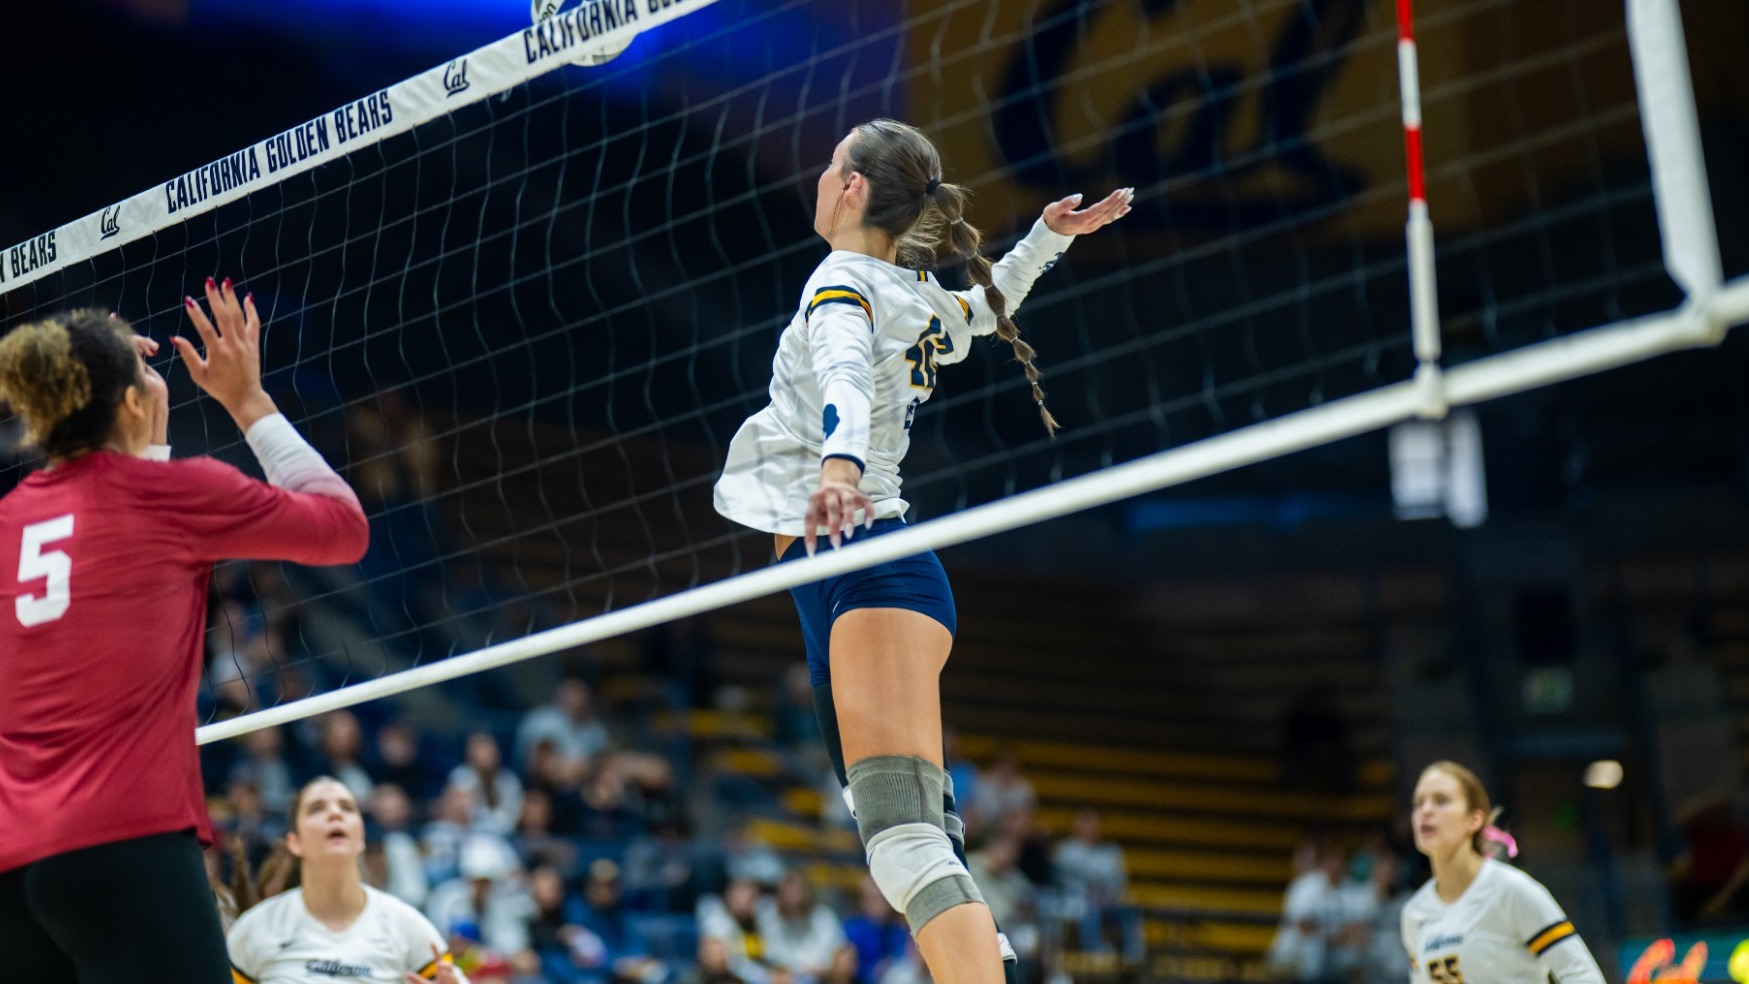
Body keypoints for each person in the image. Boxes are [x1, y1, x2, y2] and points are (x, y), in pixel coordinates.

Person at [712, 117, 1129, 984]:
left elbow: (843, 380)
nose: (824, 179)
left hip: (867, 561)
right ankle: (993, 957)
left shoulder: (843, 286)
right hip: (844, 577)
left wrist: (838, 468)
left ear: (854, 188)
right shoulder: (900, 289)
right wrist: (1047, 239)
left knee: (903, 844)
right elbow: (979, 315)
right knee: (898, 838)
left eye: (832, 167)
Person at [0, 283, 369, 983]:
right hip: (123, 843)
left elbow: (125, 544)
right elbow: (343, 528)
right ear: (132, 402)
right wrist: (247, 399)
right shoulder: (174, 495)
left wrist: (113, 385)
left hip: (13, 864)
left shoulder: (12, 517)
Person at [228, 777, 466, 983]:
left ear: (361, 836)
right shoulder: (255, 929)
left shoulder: (406, 926)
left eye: (347, 807)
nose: (335, 813)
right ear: (295, 842)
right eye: (317, 808)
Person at [1400, 761, 1605, 983]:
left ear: (1474, 820)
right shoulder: (1414, 912)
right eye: (1418, 803)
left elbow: (1581, 974)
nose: (1426, 811)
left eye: (1441, 800)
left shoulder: (1511, 890)